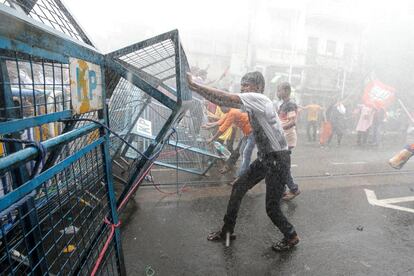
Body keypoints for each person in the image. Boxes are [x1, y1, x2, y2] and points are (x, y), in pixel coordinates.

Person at [187, 71, 299, 251]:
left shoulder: (259, 99)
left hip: (278, 158)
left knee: (271, 208)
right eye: (242, 84)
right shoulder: (255, 103)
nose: (243, 88)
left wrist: (195, 86)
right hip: (266, 158)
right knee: (238, 187)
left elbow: (224, 99)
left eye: (247, 85)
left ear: (258, 87)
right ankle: (227, 231)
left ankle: (291, 235)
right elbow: (227, 110)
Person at [203, 107, 255, 176]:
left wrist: (212, 139)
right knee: (240, 151)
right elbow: (220, 122)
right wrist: (208, 126)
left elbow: (223, 128)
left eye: (222, 107)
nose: (221, 109)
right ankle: (234, 169)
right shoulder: (230, 112)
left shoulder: (233, 112)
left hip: (252, 132)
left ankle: (241, 176)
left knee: (244, 154)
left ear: (226, 105)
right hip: (246, 133)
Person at [276, 82, 301, 200]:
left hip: (287, 139)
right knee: (282, 166)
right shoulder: (284, 104)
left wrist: (279, 129)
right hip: (282, 139)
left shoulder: (290, 105)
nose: (277, 92)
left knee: (283, 166)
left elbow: (292, 122)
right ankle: (283, 190)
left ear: (286, 91)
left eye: (279, 90)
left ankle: (293, 189)